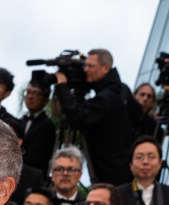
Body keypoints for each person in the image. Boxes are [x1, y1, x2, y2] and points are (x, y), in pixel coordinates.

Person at [54, 49, 133, 185]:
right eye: (85, 65)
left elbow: (78, 117)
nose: (85, 70)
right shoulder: (119, 89)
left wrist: (62, 87)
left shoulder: (108, 96)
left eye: (90, 66)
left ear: (105, 68)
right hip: (114, 170)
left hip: (112, 175)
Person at [114, 136, 169, 205]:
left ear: (159, 163)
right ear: (130, 165)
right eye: (139, 157)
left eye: (151, 157)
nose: (145, 162)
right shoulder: (116, 194)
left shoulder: (167, 193)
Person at [21, 80, 56, 177]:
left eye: (36, 93)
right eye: (28, 92)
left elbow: (34, 158)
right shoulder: (20, 121)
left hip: (33, 179)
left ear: (46, 100)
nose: (30, 96)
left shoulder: (47, 125)